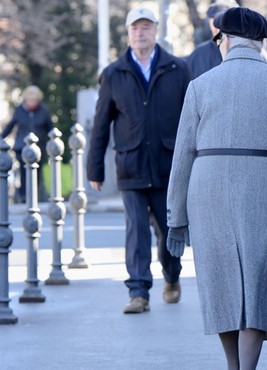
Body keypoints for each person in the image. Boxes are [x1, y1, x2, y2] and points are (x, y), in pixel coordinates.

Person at [166, 8, 267, 369]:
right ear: (260, 42)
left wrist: (176, 217)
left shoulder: (199, 86)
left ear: (225, 39)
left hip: (207, 189)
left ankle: (233, 365)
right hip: (264, 190)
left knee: (222, 286)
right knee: (260, 285)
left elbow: (182, 154)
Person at [87, 6, 191, 314]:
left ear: (156, 31)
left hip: (167, 165)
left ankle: (171, 276)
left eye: (145, 27)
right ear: (128, 33)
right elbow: (100, 124)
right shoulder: (113, 74)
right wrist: (95, 168)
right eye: (134, 28)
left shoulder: (178, 69)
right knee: (136, 230)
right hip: (130, 165)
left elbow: (193, 118)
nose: (140, 33)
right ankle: (138, 292)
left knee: (168, 229)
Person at [1, 85, 54, 204]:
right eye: (30, 100)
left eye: (34, 100)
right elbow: (11, 125)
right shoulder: (20, 110)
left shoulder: (43, 111)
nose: (32, 102)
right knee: (24, 172)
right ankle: (24, 196)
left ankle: (34, 196)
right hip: (22, 147)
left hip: (39, 147)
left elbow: (50, 128)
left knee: (37, 173)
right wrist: (1, 137)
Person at [185, 1, 237, 79]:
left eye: (219, 21)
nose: (214, 28)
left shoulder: (243, 52)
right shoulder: (198, 55)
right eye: (211, 22)